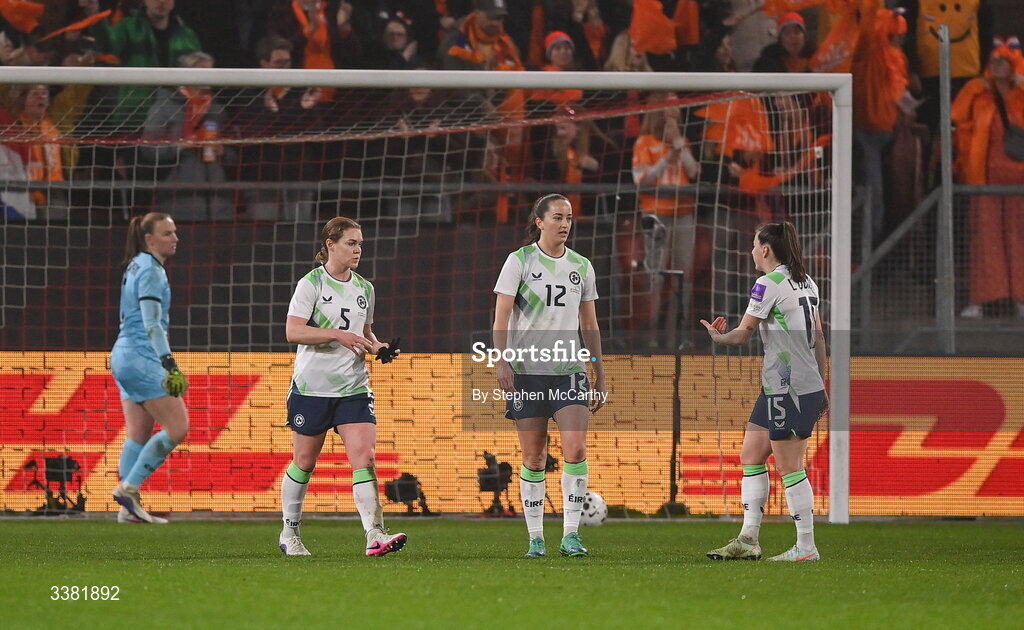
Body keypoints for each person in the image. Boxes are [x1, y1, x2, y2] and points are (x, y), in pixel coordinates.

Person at [279, 216, 406, 557]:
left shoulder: (365, 288)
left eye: (360, 243)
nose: (358, 249)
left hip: (353, 387)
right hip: (312, 388)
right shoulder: (312, 284)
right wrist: (336, 334)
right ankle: (290, 533)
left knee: (364, 458)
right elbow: (293, 332)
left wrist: (378, 347)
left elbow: (364, 334)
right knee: (304, 461)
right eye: (351, 243)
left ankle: (374, 535)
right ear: (330, 245)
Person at [701, 221, 828, 562]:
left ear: (767, 249)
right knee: (752, 455)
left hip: (790, 388)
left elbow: (742, 334)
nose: (752, 251)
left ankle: (806, 546)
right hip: (791, 386)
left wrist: (716, 338)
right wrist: (822, 384)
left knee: (790, 466)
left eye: (755, 245)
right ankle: (748, 539)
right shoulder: (807, 282)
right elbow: (819, 334)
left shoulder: (766, 284)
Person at [492, 193, 607, 558]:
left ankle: (571, 534)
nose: (565, 224)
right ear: (539, 222)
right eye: (557, 217)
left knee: (575, 448)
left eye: (569, 217)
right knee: (535, 458)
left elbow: (589, 324)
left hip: (568, 369)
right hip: (527, 371)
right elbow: (501, 317)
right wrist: (502, 360)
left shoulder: (581, 266)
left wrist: (599, 373)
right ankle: (536, 538)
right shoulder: (520, 261)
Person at [110, 212, 190, 525]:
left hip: (122, 355)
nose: (175, 238)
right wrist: (169, 364)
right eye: (168, 233)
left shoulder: (136, 265)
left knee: (138, 435)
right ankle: (129, 488)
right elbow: (152, 323)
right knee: (178, 427)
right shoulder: (152, 271)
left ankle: (126, 509)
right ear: (149, 238)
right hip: (142, 356)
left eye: (175, 232)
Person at [951, 39, 1024, 319]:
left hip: (1018, 182)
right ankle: (980, 300)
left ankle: (1021, 299)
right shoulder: (980, 96)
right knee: (985, 239)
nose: (997, 66)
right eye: (993, 61)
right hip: (984, 179)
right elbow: (955, 115)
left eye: (1003, 61)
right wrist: (973, 87)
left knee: (1018, 239)